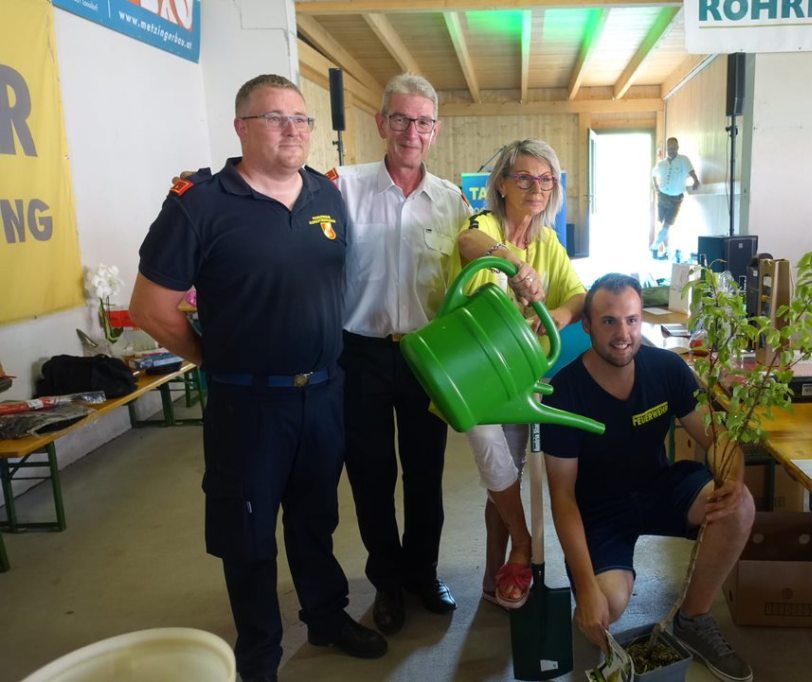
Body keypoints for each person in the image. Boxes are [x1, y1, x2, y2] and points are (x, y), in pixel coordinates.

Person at [129, 74, 386, 682]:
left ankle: (325, 617)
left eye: (301, 118)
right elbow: (150, 309)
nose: (292, 129)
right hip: (247, 406)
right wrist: (212, 359)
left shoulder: (325, 195)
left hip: (323, 393)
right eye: (275, 118)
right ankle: (260, 655)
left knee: (315, 519)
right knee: (247, 536)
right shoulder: (199, 204)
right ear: (241, 127)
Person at [540, 273, 754, 682]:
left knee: (739, 506)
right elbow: (563, 497)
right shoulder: (565, 394)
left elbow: (717, 437)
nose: (623, 334)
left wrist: (732, 476)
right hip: (599, 511)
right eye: (609, 321)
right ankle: (591, 588)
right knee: (606, 608)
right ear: (587, 325)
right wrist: (587, 589)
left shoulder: (667, 368)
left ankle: (693, 619)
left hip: (659, 488)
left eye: (632, 320)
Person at [326, 73, 471, 636]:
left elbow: (468, 280)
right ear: (381, 122)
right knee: (370, 474)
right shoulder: (343, 189)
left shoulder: (452, 202)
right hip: (358, 353)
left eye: (423, 122)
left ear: (436, 130)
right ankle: (386, 582)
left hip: (424, 356)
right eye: (402, 119)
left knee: (425, 473)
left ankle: (422, 574)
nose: (412, 131)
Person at [448, 139, 586, 609]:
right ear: (502, 184)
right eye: (524, 178)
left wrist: (558, 316)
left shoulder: (548, 241)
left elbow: (577, 295)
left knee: (502, 478)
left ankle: (496, 578)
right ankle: (523, 543)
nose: (537, 187)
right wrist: (514, 263)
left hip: (524, 372)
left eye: (546, 179)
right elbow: (468, 244)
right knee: (490, 450)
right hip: (477, 372)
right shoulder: (485, 225)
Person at [651, 137, 700, 260]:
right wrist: (656, 187)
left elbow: (691, 171)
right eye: (669, 149)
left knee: (667, 225)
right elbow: (653, 175)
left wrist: (696, 180)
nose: (671, 151)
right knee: (662, 225)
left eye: (673, 148)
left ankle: (655, 247)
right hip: (662, 197)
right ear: (666, 149)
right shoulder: (661, 164)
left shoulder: (683, 160)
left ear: (677, 148)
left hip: (676, 199)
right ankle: (665, 251)